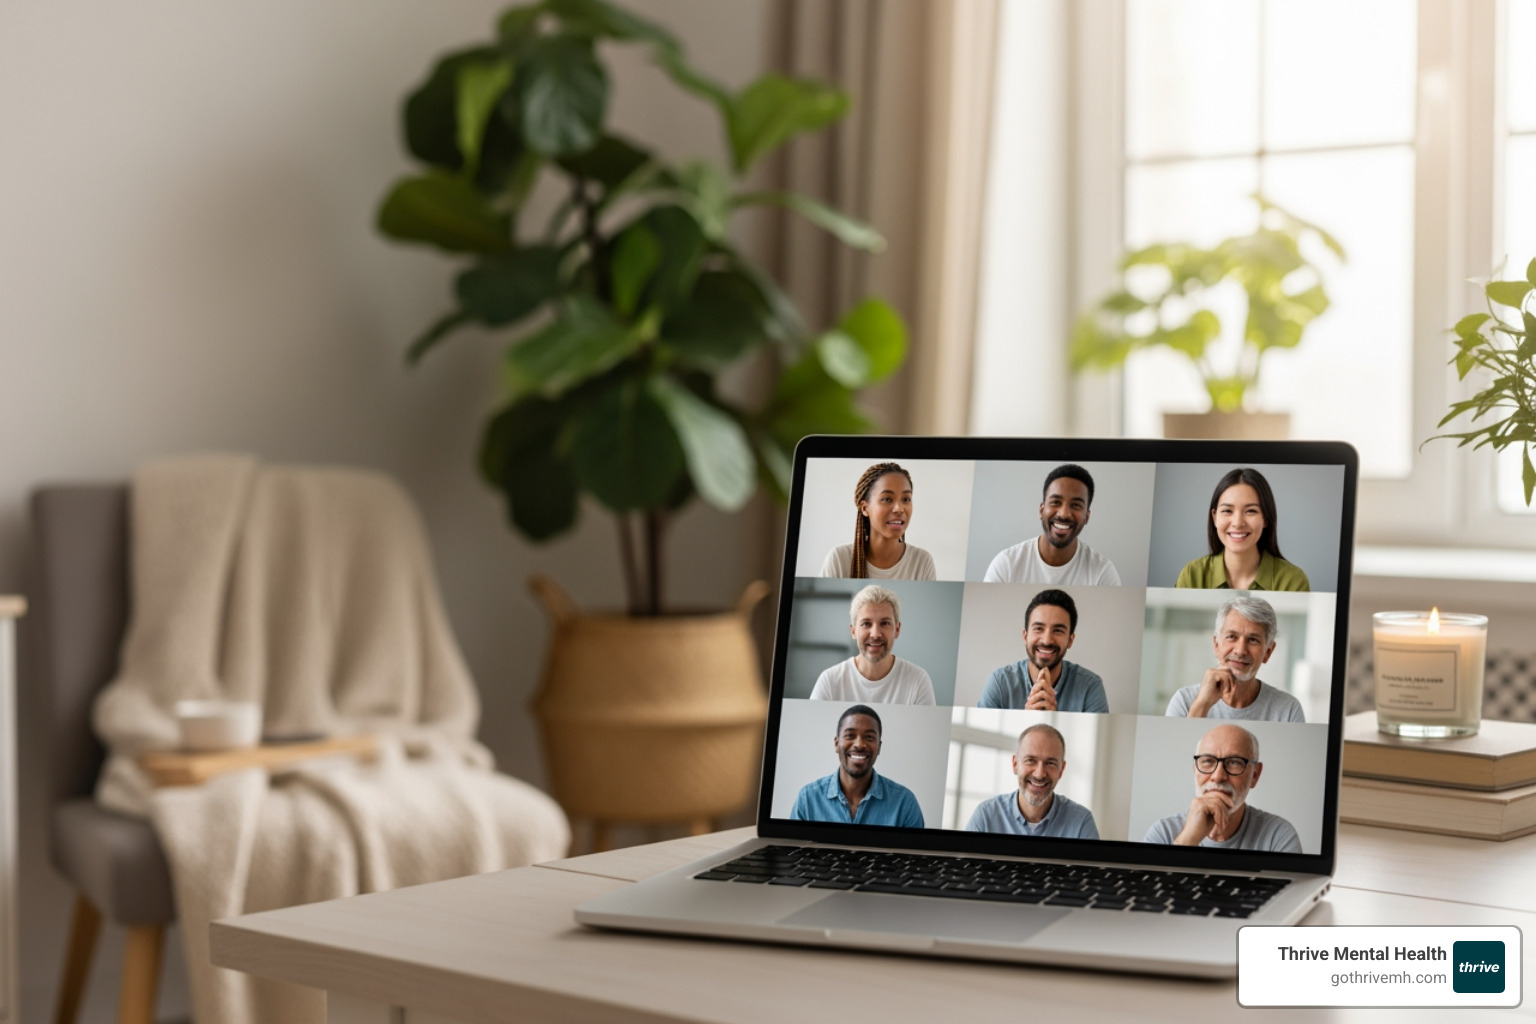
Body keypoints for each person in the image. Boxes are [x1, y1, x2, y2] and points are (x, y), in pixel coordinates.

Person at [1143, 724, 1302, 852]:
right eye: (1207, 761)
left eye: (1234, 762)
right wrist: (1187, 841)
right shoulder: (1163, 833)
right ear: (1195, 770)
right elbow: (1151, 890)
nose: (1218, 776)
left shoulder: (1279, 836)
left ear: (1255, 775)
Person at [1164, 595, 1305, 722]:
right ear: (1216, 645)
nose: (1241, 650)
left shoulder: (1288, 710)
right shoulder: (1184, 701)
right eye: (1232, 637)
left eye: (1253, 640)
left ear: (1268, 652)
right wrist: (1203, 704)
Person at [1175, 467, 1310, 591]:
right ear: (1214, 517)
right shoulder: (1192, 575)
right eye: (1227, 510)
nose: (1238, 523)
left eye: (1251, 511)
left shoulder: (1293, 581)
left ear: (1265, 518)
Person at [983, 464, 1121, 586]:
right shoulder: (1006, 564)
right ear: (1041, 510)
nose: (1064, 514)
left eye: (1076, 505)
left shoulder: (1103, 573)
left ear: (1087, 517)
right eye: (1055, 502)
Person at [789, 705, 926, 827]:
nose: (859, 744)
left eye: (869, 737)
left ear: (879, 747)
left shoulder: (905, 802)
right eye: (850, 735)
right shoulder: (808, 798)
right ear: (837, 744)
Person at [977, 589, 1108, 712]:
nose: (1046, 640)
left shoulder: (1090, 687)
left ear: (1070, 640)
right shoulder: (999, 683)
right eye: (1038, 628)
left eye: (1058, 630)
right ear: (1025, 636)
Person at [965, 724, 1099, 838]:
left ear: (1061, 770)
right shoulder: (985, 816)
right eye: (1030, 760)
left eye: (1050, 763)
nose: (1040, 774)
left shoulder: (1082, 821)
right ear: (1015, 764)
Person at [809, 585, 937, 705]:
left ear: (897, 630)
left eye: (885, 623)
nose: (875, 634)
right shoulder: (829, 681)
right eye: (866, 624)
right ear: (853, 631)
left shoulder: (918, 681)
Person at [821, 462, 938, 580]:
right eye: (887, 499)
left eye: (906, 499)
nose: (899, 509)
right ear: (865, 508)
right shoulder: (839, 560)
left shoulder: (922, 562)